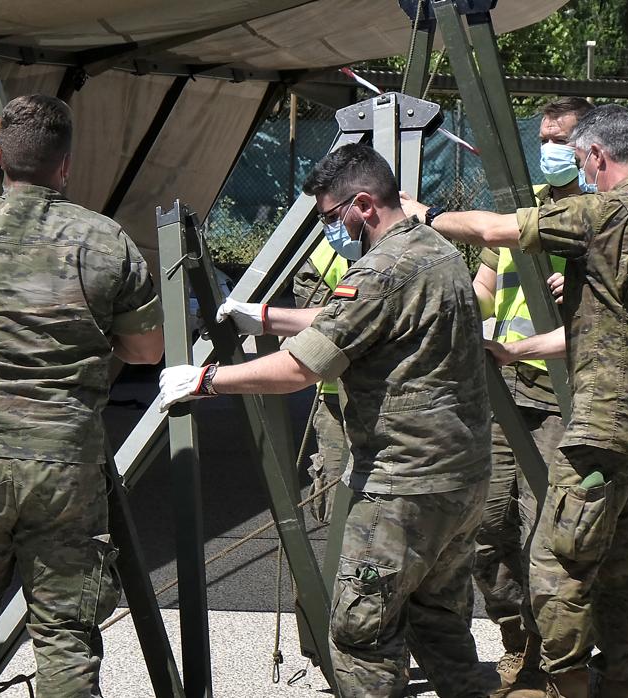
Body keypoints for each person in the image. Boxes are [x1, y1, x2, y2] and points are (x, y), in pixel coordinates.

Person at [162, 143, 491, 698]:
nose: (330, 230)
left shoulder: (380, 269)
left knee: (362, 634)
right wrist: (266, 318)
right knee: (441, 622)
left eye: (330, 217)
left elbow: (299, 369)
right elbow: (362, 315)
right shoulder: (435, 252)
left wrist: (207, 380)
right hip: (459, 479)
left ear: (363, 204)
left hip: (401, 488)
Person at [402, 104, 628, 698]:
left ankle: (561, 685)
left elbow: (492, 230)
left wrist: (424, 214)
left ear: (597, 157)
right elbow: (612, 324)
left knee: (559, 569)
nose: (571, 163)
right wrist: (517, 347)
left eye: (575, 152)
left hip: (600, 426)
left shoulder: (605, 212)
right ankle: (620, 686)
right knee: (622, 575)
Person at [0, 95, 164, 697]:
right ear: (65, 165)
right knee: (65, 637)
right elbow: (147, 352)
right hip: (62, 461)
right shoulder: (103, 242)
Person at [472, 96, 593, 696]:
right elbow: (486, 291)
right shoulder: (520, 217)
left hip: (565, 394)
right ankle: (515, 640)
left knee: (547, 531)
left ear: (588, 144)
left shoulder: (604, 216)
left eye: (560, 138)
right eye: (542, 136)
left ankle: (557, 661)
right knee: (486, 527)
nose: (547, 148)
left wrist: (577, 285)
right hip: (506, 387)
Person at [290, 238, 349, 522]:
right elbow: (319, 332)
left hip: (391, 396)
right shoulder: (323, 252)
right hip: (335, 394)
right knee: (335, 499)